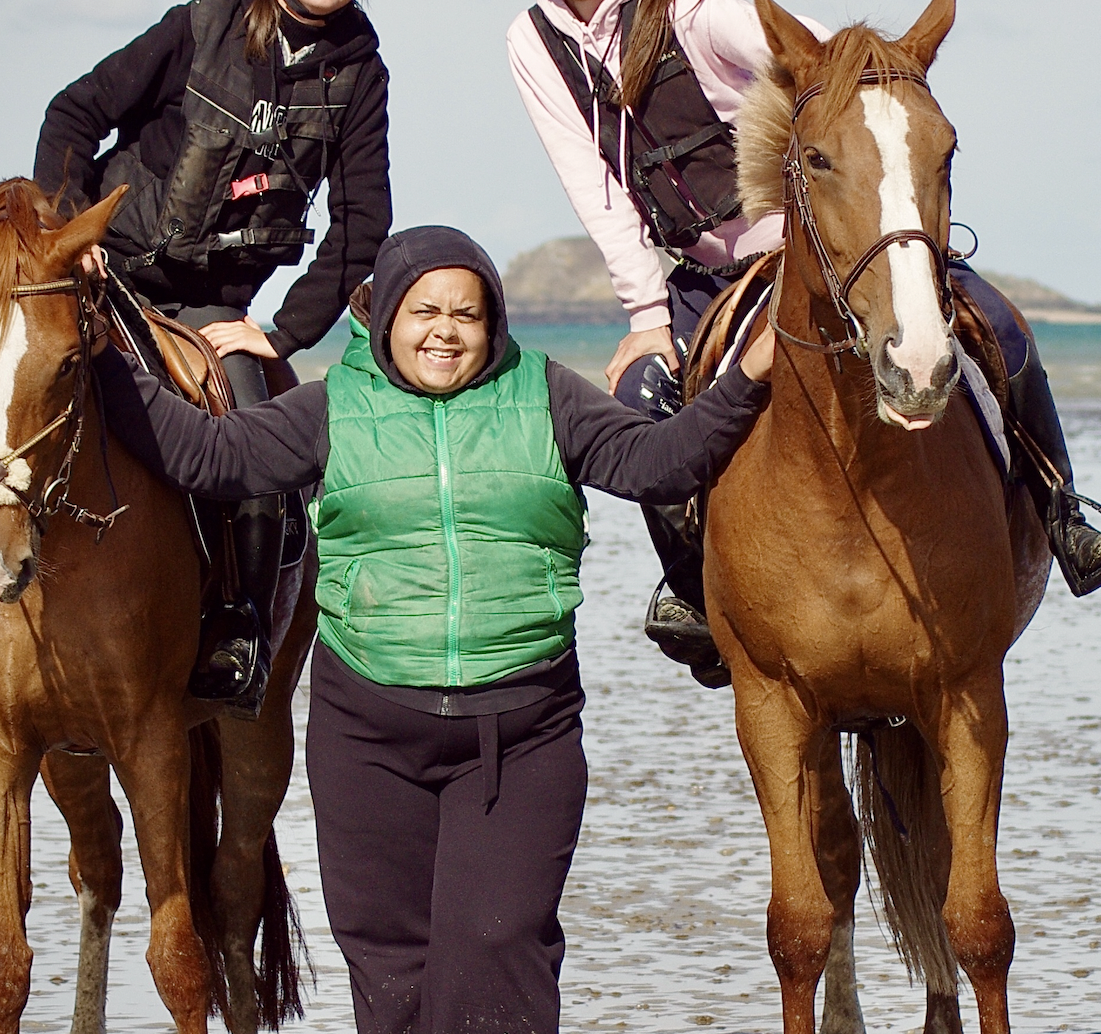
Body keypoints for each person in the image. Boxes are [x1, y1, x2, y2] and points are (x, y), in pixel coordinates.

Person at [90, 225, 775, 1032]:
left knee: (497, 945)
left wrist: (752, 375)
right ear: (385, 319)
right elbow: (204, 453)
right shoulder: (331, 406)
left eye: (467, 313)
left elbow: (660, 461)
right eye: (423, 311)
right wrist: (99, 348)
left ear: (494, 323)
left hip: (523, 733)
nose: (445, 330)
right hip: (368, 739)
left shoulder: (545, 393)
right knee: (392, 969)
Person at [506, 0, 1101, 686]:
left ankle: (1065, 511)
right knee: (639, 394)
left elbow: (842, 70)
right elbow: (594, 186)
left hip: (821, 250)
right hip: (699, 273)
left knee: (1002, 328)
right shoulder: (532, 42)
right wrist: (647, 316)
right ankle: (695, 590)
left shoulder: (698, 13)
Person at [0, 0, 396, 717]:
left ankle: (237, 626)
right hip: (112, 273)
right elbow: (73, 114)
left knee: (255, 443)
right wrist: (73, 237)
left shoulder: (362, 76)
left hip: (214, 305)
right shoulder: (198, 22)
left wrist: (281, 337)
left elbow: (365, 222)